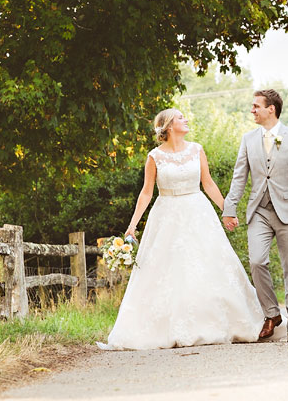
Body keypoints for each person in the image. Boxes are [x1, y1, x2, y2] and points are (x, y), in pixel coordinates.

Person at [98, 109, 263, 350]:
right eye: (181, 117)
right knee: (169, 269)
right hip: (167, 216)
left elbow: (207, 183)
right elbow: (146, 192)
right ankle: (170, 327)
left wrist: (226, 210)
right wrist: (132, 226)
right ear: (168, 126)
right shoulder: (154, 157)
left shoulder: (196, 149)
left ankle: (216, 322)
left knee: (208, 264)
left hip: (199, 212)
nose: (186, 120)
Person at [222, 89, 288, 343]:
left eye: (256, 106)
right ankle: (272, 314)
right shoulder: (248, 139)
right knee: (257, 262)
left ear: (270, 109)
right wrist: (230, 208)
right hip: (259, 210)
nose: (252, 110)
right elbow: (239, 176)